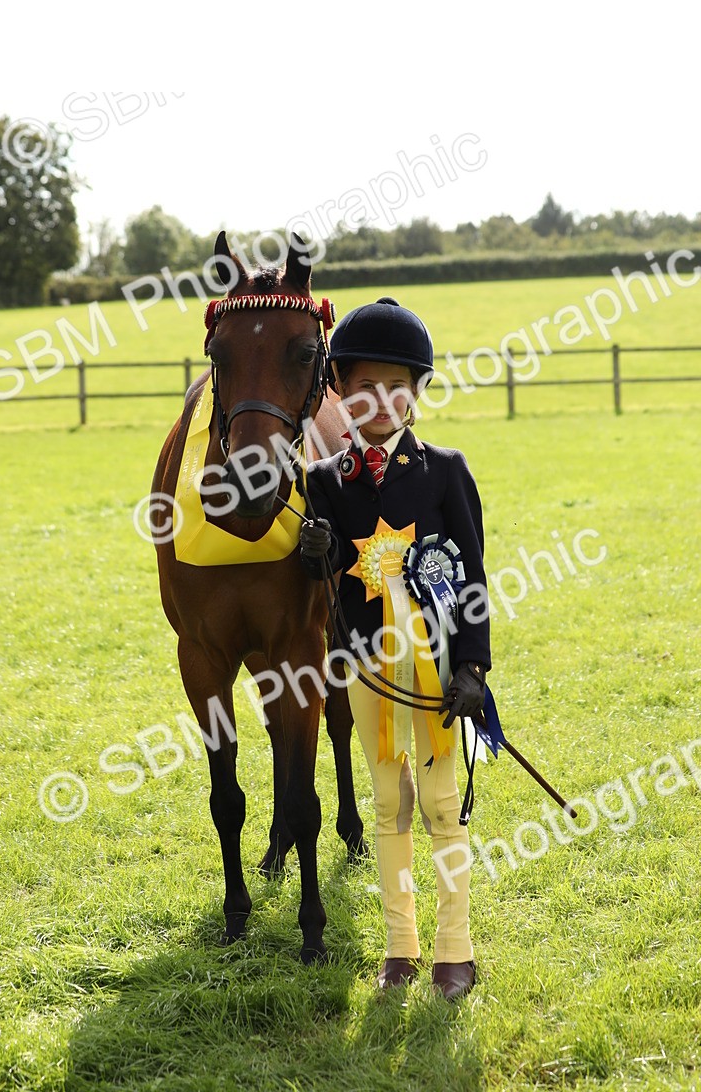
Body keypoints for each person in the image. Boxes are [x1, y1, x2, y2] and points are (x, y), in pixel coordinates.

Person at [299, 296, 491, 998]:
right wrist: (310, 549)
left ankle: (454, 948)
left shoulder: (445, 470)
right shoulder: (322, 481)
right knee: (389, 804)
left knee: (442, 802)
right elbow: (319, 584)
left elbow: (471, 572)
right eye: (362, 390)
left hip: (438, 668)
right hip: (369, 667)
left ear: (417, 392)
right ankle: (399, 948)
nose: (380, 402)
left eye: (396, 387)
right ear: (340, 396)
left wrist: (471, 663)